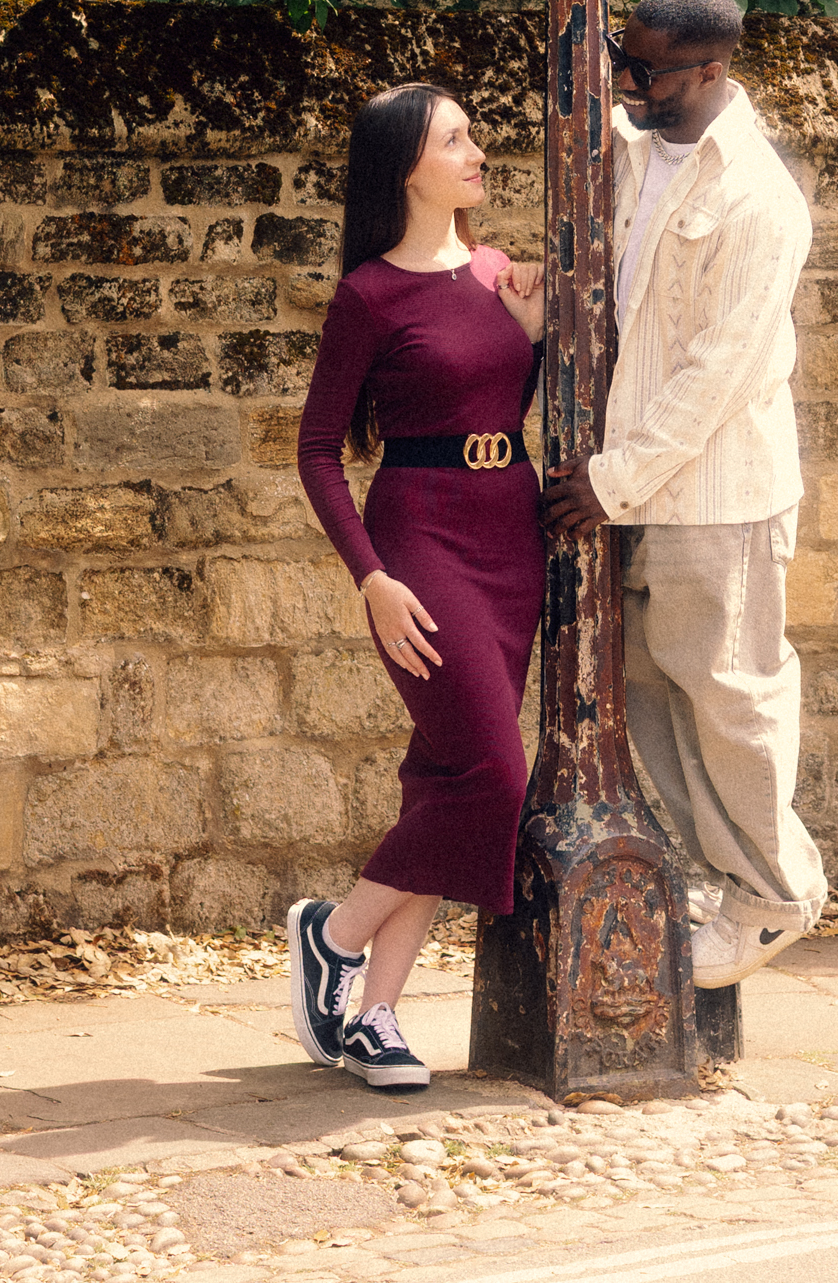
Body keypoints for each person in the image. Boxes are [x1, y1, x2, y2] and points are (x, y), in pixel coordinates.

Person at [541, 0, 824, 988]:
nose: (627, 78)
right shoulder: (621, 151)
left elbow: (720, 368)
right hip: (636, 486)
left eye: (647, 67)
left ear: (712, 70)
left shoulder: (756, 196)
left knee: (731, 696)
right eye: (626, 55)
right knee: (652, 693)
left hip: (717, 492)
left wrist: (612, 480)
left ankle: (776, 894)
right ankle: (726, 879)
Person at [288, 82, 545, 1088]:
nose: (477, 151)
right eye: (456, 138)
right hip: (422, 537)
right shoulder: (367, 296)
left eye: (474, 134)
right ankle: (334, 932)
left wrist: (533, 324)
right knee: (495, 774)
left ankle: (377, 1016)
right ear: (406, 166)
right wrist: (373, 579)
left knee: (450, 777)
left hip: (510, 530)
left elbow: (515, 387)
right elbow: (315, 451)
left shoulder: (496, 273)